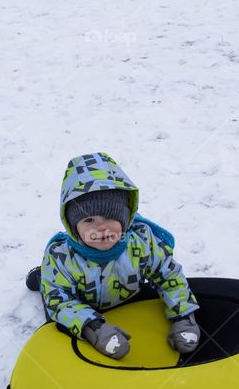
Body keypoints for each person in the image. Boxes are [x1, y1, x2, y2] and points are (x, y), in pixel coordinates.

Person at [25, 153, 201, 359]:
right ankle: (42, 276)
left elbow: (170, 276)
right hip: (84, 304)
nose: (100, 227)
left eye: (110, 217)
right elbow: (60, 301)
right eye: (89, 220)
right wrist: (94, 327)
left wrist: (182, 315)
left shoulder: (142, 242)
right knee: (57, 320)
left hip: (127, 293)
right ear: (74, 228)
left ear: (125, 220)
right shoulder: (62, 258)